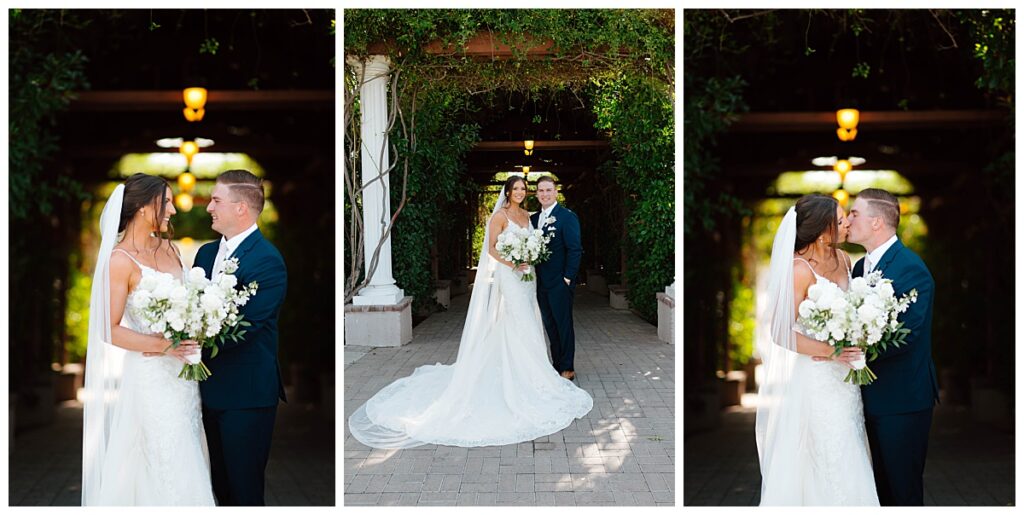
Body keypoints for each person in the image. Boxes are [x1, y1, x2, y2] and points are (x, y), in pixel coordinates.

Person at [348, 175, 593, 449]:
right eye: (517, 189)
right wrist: (514, 263)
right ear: (508, 191)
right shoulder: (500, 216)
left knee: (536, 322)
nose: (522, 192)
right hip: (513, 278)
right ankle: (530, 372)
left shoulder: (531, 216)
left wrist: (562, 275)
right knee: (520, 321)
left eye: (525, 189)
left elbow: (560, 247)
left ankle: (553, 368)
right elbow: (491, 249)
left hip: (532, 280)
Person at [82, 173, 214, 505]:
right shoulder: (119, 260)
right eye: (166, 202)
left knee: (189, 446)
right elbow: (108, 328)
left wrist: (199, 324)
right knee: (163, 453)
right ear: (143, 207)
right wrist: (164, 346)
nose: (172, 209)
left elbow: (188, 303)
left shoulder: (170, 249)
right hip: (151, 376)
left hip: (184, 377)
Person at [756, 193, 879, 505]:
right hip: (817, 378)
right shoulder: (798, 269)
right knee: (826, 449)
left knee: (851, 443)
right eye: (840, 221)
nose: (847, 224)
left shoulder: (844, 260)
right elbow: (781, 332)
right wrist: (831, 352)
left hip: (846, 379)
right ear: (824, 231)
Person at [194, 169, 288, 506]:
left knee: (245, 492)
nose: (209, 207)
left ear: (240, 208)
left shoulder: (268, 262)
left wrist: (186, 341)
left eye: (216, 200)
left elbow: (244, 329)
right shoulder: (205, 255)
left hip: (247, 395)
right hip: (204, 394)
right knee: (218, 489)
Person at [845, 188, 938, 506]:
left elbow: (908, 334)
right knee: (880, 491)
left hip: (903, 399)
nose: (848, 219)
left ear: (876, 222)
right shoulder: (859, 269)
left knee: (903, 490)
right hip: (867, 399)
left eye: (854, 213)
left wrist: (857, 351)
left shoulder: (912, 269)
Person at [530, 176, 583, 380]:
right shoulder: (534, 220)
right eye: (541, 190)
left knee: (563, 325)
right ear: (537, 194)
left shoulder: (567, 217)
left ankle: (568, 366)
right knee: (550, 326)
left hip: (560, 282)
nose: (545, 194)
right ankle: (556, 363)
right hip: (540, 283)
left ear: (556, 192)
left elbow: (575, 249)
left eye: (548, 190)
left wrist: (568, 278)